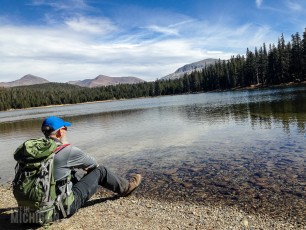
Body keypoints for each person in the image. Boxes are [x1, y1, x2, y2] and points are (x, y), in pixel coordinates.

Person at [41, 116, 142, 218]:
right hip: (61, 208)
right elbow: (93, 163)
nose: (66, 131)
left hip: (38, 207)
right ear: (60, 132)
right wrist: (67, 147)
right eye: (65, 129)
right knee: (101, 171)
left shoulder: (34, 151)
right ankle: (126, 188)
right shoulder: (67, 151)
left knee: (73, 174)